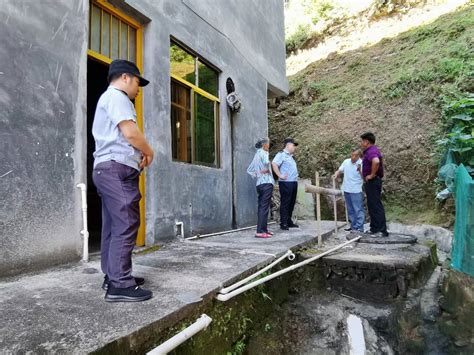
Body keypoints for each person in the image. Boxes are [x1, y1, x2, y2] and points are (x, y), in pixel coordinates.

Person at [92, 59, 154, 302]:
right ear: (126, 77)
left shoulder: (108, 98)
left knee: (113, 225)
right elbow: (130, 133)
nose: (139, 88)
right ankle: (120, 284)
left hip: (106, 169)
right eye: (138, 82)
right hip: (115, 169)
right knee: (126, 222)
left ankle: (113, 275)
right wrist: (149, 151)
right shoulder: (118, 96)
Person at [360, 132, 389, 237]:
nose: (361, 143)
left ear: (367, 142)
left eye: (362, 141)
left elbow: (376, 162)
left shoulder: (372, 151)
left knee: (375, 205)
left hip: (373, 181)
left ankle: (381, 230)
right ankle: (374, 228)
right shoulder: (370, 151)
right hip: (371, 182)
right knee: (372, 205)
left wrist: (371, 175)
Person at [247, 138, 275, 238]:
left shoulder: (256, 155)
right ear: (264, 145)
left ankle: (264, 229)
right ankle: (260, 231)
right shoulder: (264, 153)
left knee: (262, 207)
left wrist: (258, 173)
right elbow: (267, 163)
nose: (269, 146)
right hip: (266, 183)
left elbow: (249, 170)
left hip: (259, 184)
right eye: (268, 144)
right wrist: (267, 169)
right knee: (264, 207)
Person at [334, 148, 365, 232]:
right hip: (346, 189)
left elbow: (364, 177)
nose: (353, 157)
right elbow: (340, 170)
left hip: (356, 190)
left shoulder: (361, 163)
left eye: (355, 155)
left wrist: (360, 171)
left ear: (359, 156)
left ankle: (360, 227)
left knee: (358, 209)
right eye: (352, 155)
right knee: (350, 209)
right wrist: (336, 174)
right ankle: (353, 226)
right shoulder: (346, 161)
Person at [272, 138, 299, 230]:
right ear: (287, 145)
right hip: (286, 183)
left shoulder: (291, 156)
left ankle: (288, 221)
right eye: (293, 145)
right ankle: (283, 223)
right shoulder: (281, 155)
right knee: (285, 202)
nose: (294, 147)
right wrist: (280, 175)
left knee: (291, 202)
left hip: (293, 182)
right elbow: (274, 164)